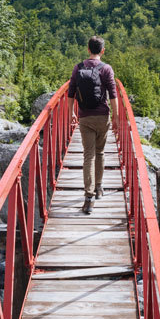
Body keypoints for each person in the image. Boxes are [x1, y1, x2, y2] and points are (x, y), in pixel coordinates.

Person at [67, 36, 118, 214]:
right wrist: (117, 116)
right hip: (102, 116)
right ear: (102, 51)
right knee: (100, 152)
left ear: (88, 49)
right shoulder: (106, 69)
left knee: (88, 156)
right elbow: (113, 93)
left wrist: (71, 113)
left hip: (85, 117)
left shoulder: (78, 67)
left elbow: (71, 92)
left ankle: (88, 198)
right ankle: (99, 188)